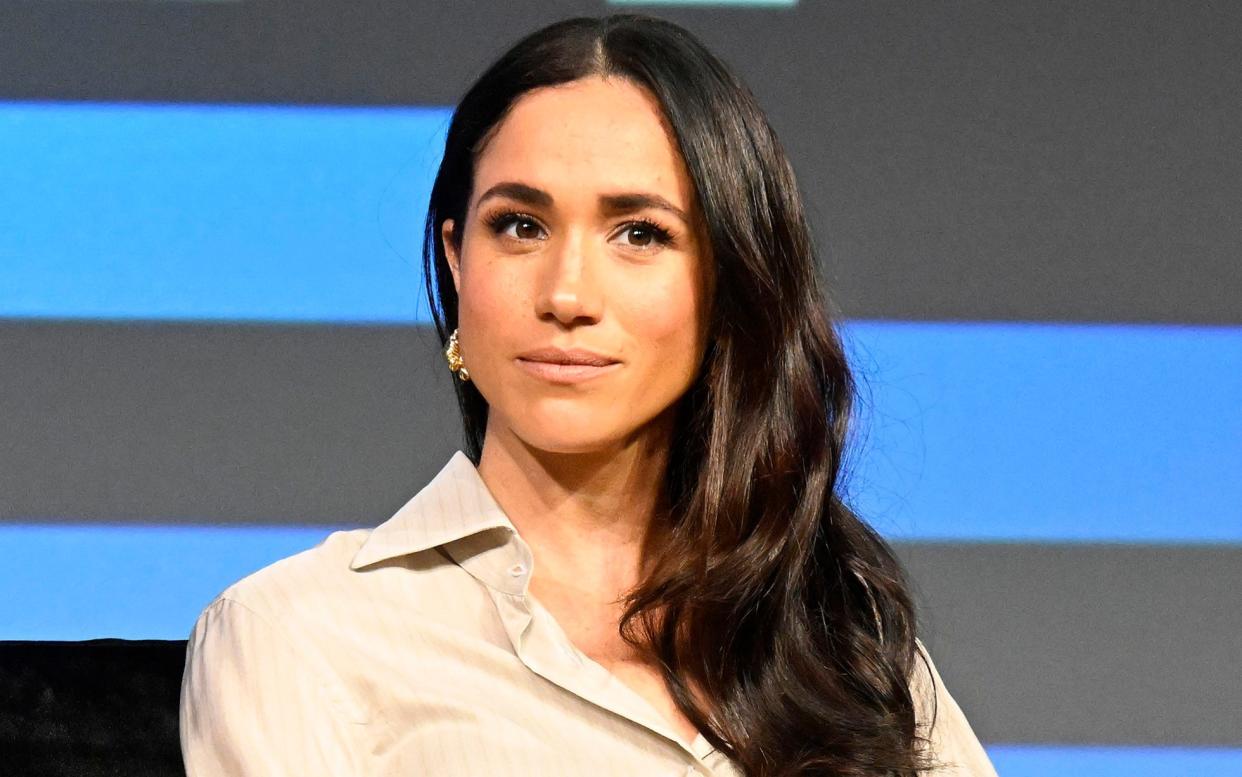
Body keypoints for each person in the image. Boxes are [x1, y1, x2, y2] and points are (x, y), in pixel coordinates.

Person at [179, 13, 998, 777]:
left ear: (726, 282)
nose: (568, 293)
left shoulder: (837, 641)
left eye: (639, 233)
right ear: (457, 260)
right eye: (520, 226)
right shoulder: (301, 633)